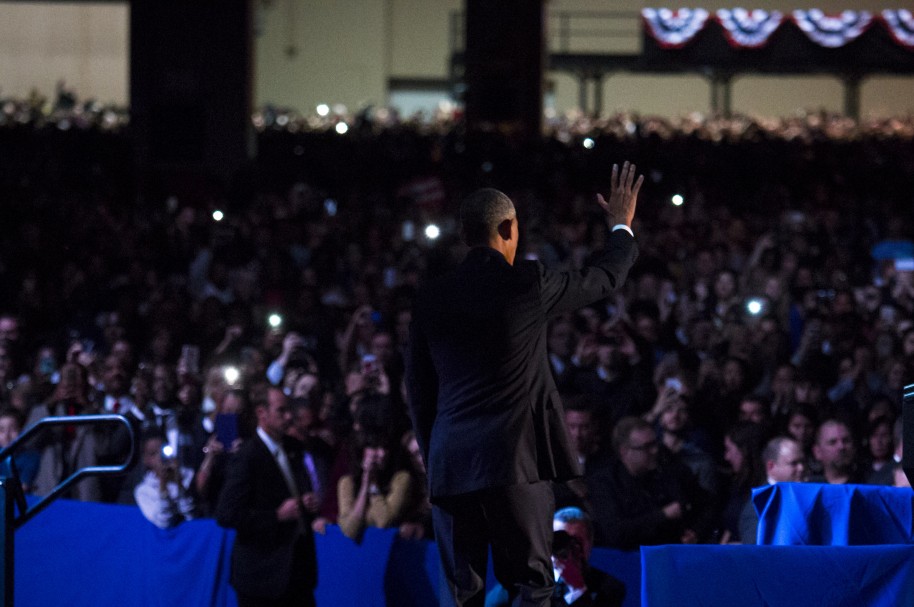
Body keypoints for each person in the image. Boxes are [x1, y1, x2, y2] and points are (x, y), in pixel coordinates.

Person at [407, 162, 642, 606]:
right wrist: (620, 227)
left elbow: (418, 390)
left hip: (450, 465)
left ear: (463, 234)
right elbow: (604, 277)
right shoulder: (527, 283)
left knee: (461, 595)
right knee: (533, 587)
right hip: (517, 463)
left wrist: (433, 453)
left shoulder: (429, 297)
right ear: (509, 227)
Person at [216, 387, 318, 607]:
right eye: (281, 411)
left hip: (296, 572)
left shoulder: (293, 448)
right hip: (261, 577)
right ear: (262, 413)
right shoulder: (248, 456)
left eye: (289, 409)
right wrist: (276, 515)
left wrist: (305, 501)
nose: (289, 416)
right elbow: (227, 513)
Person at [739, 436, 807, 544]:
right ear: (771, 466)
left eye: (802, 462)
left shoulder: (806, 495)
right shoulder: (757, 506)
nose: (801, 468)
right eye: (794, 463)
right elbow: (755, 551)